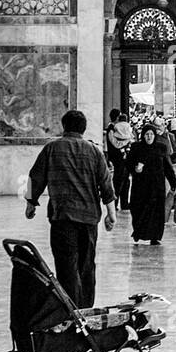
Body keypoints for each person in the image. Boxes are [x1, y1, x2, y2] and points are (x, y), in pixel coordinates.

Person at [25, 110, 116, 307]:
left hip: (62, 217)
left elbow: (35, 178)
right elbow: (106, 184)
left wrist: (30, 204)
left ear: (63, 126)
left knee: (66, 266)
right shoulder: (94, 151)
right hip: (89, 218)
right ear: (83, 129)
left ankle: (70, 310)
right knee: (86, 266)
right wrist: (112, 214)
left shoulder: (52, 148)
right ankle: (85, 309)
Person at [127, 124, 176, 245]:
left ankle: (155, 237)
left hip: (157, 186)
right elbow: (128, 164)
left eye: (151, 134)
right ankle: (138, 233)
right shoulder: (136, 148)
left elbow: (167, 166)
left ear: (155, 135)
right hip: (141, 186)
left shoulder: (161, 148)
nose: (149, 137)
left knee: (156, 213)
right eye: (146, 134)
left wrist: (173, 182)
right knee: (139, 210)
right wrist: (135, 169)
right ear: (143, 136)